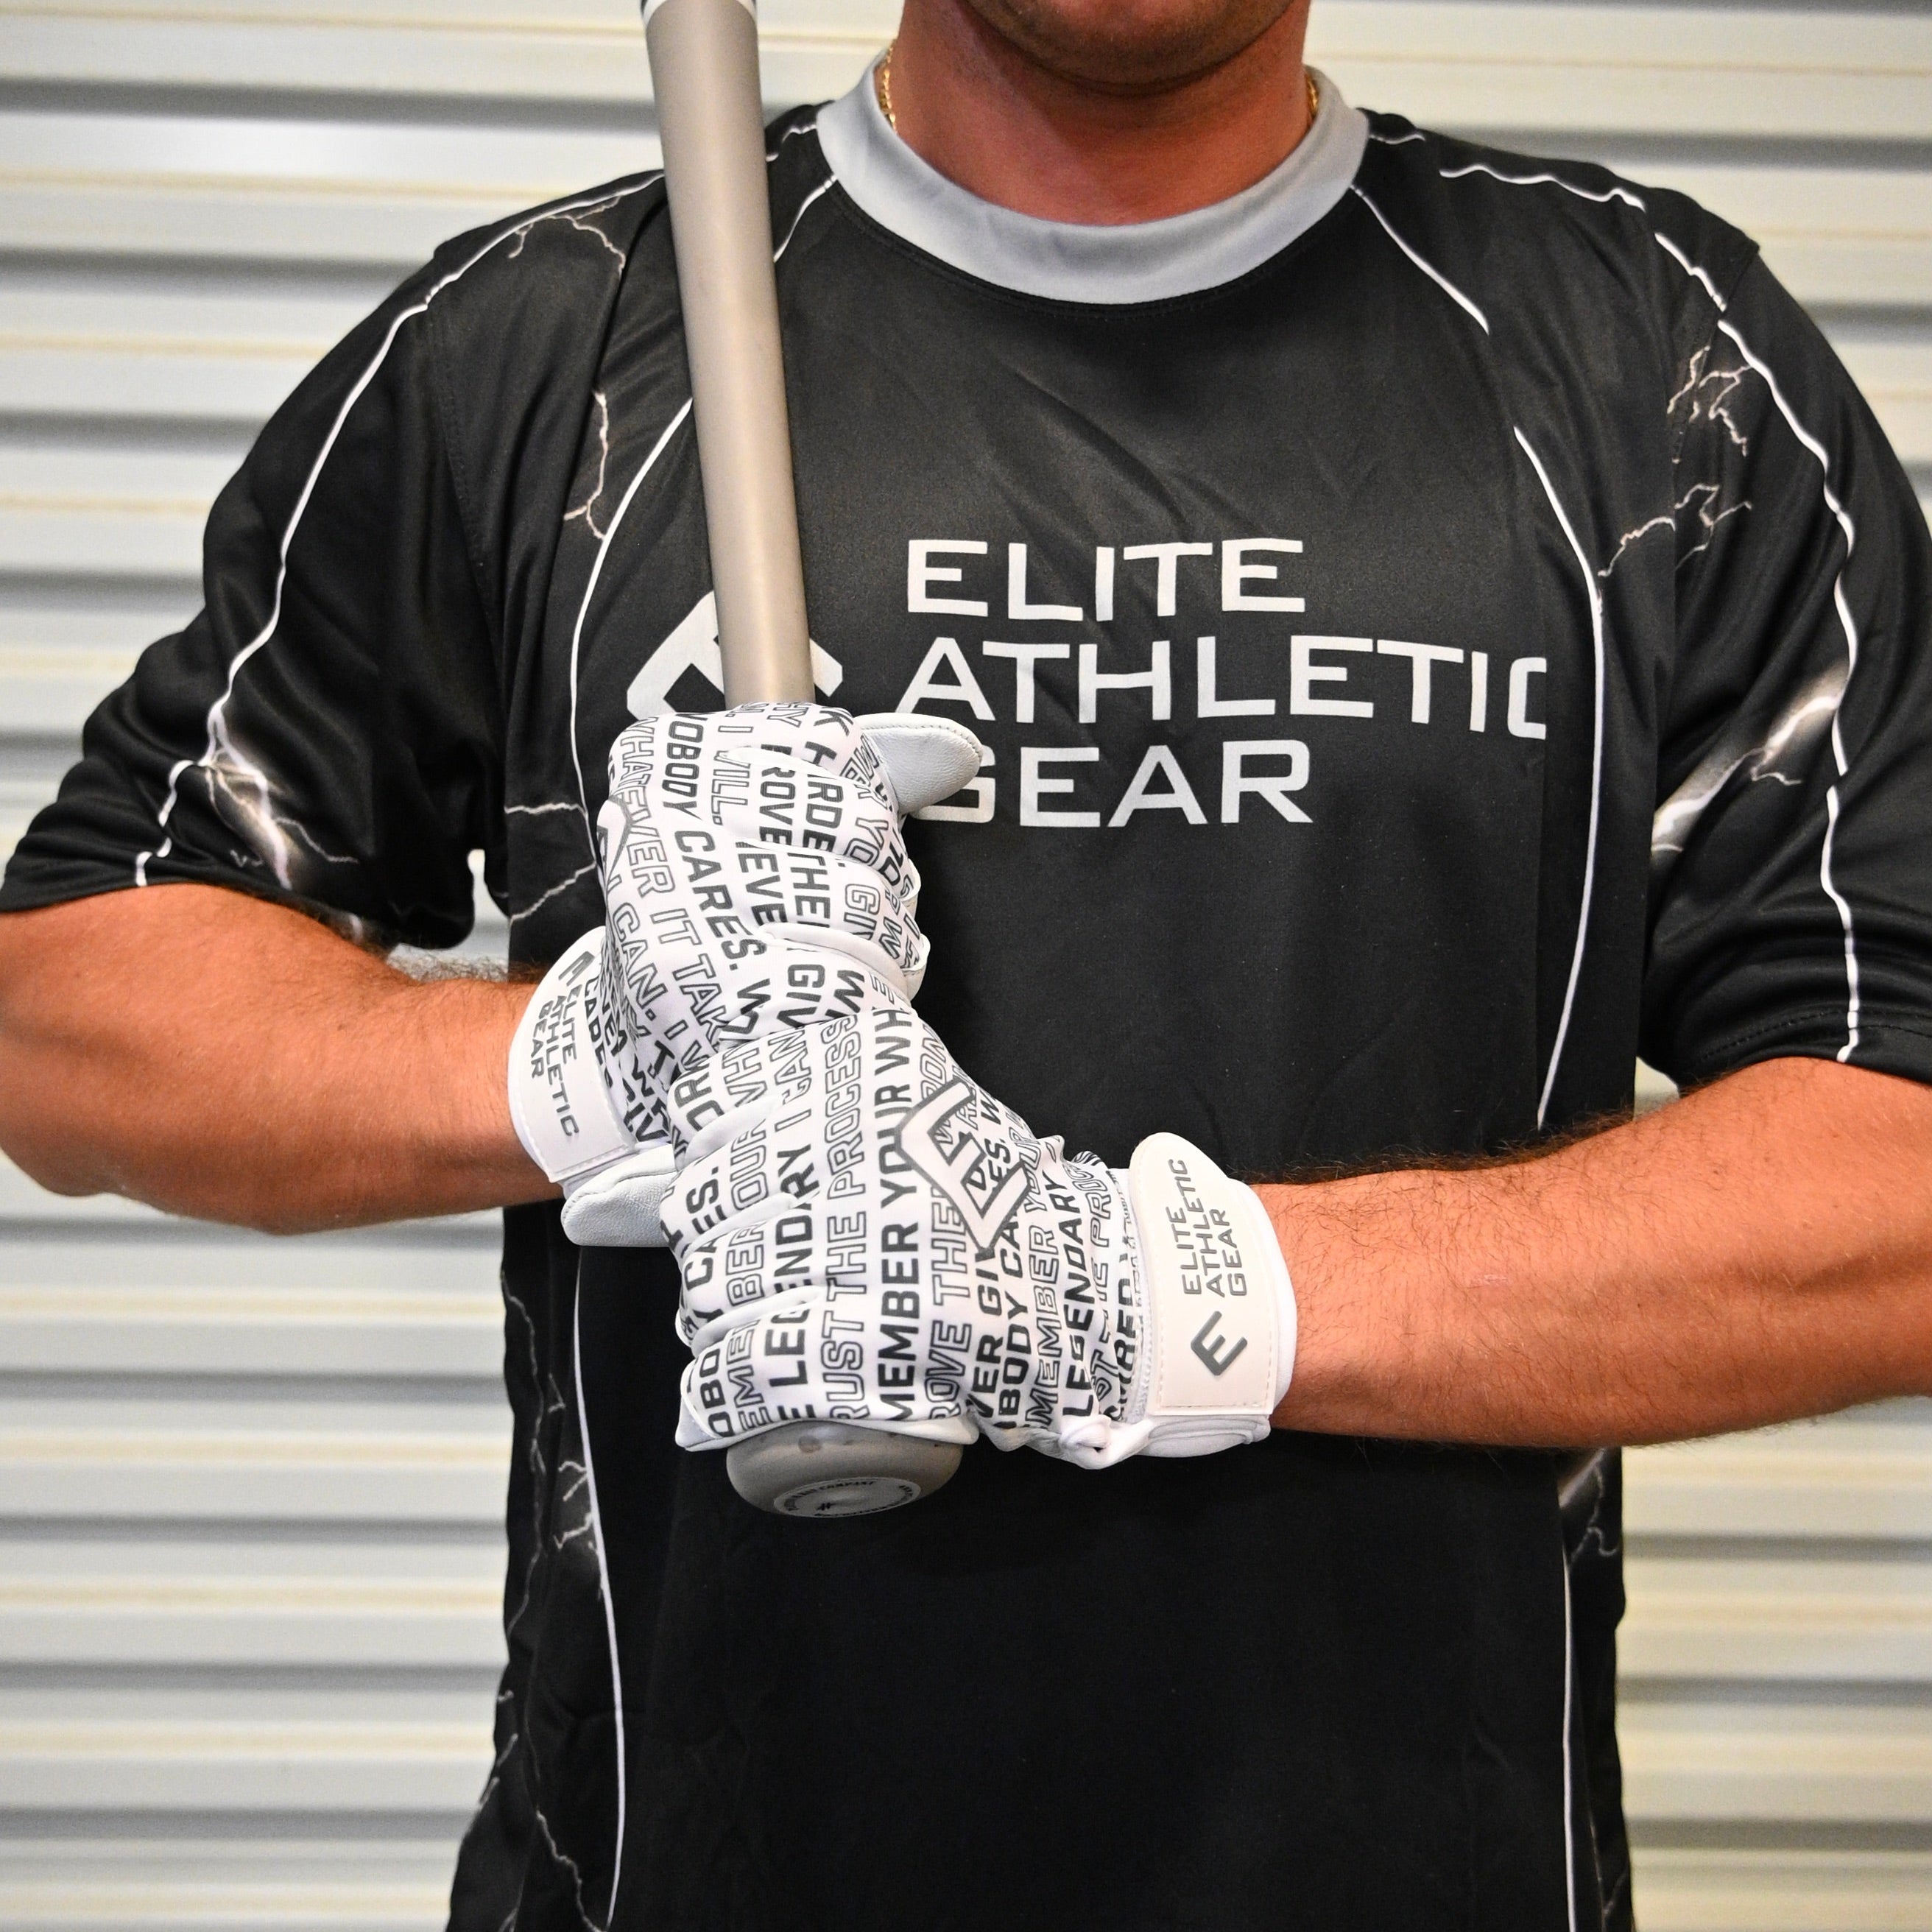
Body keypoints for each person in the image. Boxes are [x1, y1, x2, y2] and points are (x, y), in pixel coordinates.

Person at [1, 0, 1929, 1923]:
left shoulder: (1659, 371)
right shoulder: (552, 350)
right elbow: (68, 1018)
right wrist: (607, 1051)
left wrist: (1134, 1299)